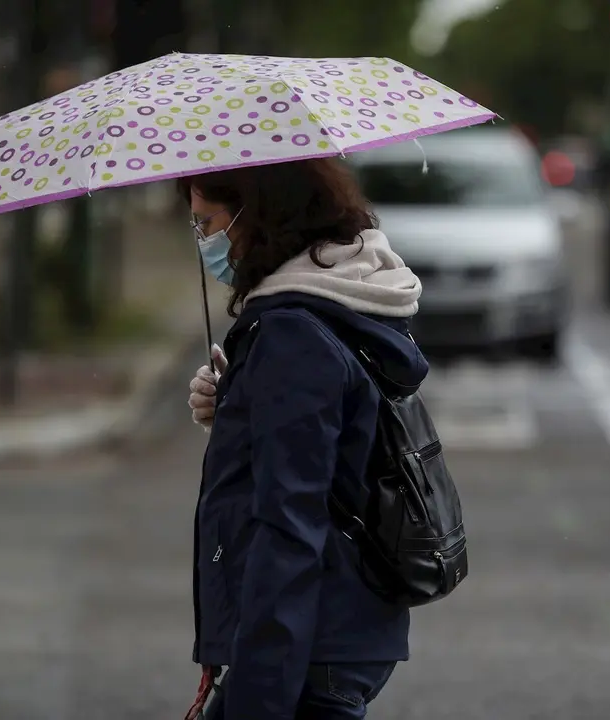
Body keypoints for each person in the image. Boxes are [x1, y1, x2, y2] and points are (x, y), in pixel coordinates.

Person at [180, 157, 427, 719]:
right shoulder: (334, 299)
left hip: (308, 645)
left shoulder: (291, 333)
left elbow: (289, 524)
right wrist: (240, 406)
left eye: (208, 222)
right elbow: (336, 447)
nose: (203, 240)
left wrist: (256, 695)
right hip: (335, 631)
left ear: (257, 214)